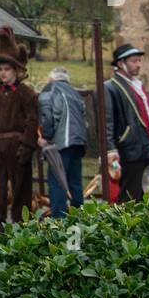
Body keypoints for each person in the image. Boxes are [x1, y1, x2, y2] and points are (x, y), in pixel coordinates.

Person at [0, 27, 39, 233]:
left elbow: (32, 121)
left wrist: (27, 146)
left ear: (17, 70)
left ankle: (22, 221)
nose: (3, 73)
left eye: (7, 69)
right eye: (0, 69)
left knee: (21, 184)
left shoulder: (26, 93)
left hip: (17, 143)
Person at [103, 43, 149, 202]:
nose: (138, 64)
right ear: (121, 64)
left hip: (145, 147)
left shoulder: (136, 84)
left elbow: (140, 114)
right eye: (134, 61)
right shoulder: (110, 87)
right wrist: (111, 149)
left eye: (139, 61)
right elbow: (107, 121)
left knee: (144, 197)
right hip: (129, 149)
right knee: (130, 197)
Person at [37, 67, 88, 218]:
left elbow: (47, 115)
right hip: (78, 142)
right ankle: (78, 217)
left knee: (57, 181)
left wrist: (45, 137)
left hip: (61, 142)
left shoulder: (49, 89)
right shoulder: (75, 93)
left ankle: (58, 221)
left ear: (51, 79)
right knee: (75, 182)